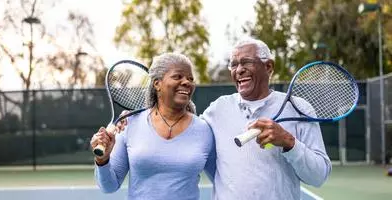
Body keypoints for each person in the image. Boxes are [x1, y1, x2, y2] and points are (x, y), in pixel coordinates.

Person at [200, 37, 331, 199]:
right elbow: (198, 150)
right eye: (234, 64)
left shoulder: (300, 109)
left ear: (268, 67)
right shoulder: (217, 109)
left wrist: (288, 142)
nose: (239, 70)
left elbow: (318, 176)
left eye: (246, 62)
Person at [90, 52, 216, 200]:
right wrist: (102, 160)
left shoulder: (204, 130)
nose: (187, 82)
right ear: (157, 84)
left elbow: (224, 180)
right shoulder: (130, 124)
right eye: (177, 76)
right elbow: (109, 186)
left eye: (190, 79)